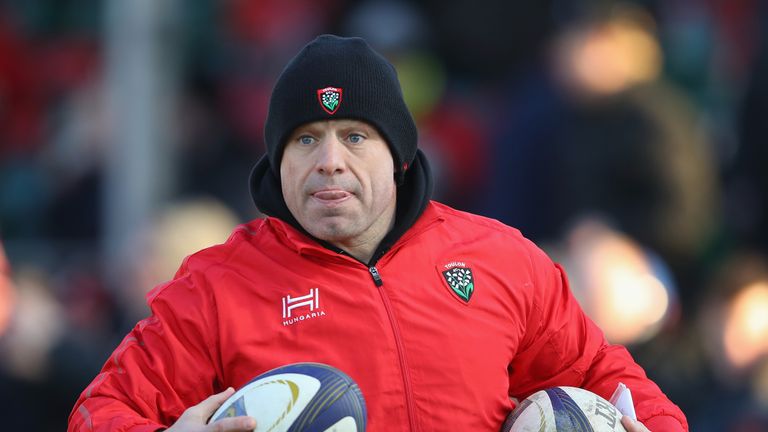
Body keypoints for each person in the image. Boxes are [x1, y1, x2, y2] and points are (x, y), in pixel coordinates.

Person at [68, 35, 688, 431]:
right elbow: (100, 415)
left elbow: (613, 381)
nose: (329, 160)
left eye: (355, 137)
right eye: (305, 139)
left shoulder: (502, 260)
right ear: (277, 162)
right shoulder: (213, 288)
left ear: (397, 156)